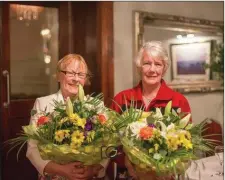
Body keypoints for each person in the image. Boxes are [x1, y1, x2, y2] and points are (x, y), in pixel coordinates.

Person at [109, 41, 191, 180]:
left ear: (164, 69)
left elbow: (187, 145)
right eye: (147, 63)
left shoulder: (178, 101)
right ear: (139, 67)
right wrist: (127, 162)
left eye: (158, 64)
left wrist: (166, 166)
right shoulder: (122, 99)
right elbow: (108, 144)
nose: (152, 69)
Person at [27, 54, 108, 180]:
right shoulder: (42, 104)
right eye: (71, 73)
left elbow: (107, 145)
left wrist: (93, 169)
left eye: (81, 75)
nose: (76, 79)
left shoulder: (97, 106)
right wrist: (62, 170)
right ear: (59, 75)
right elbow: (32, 149)